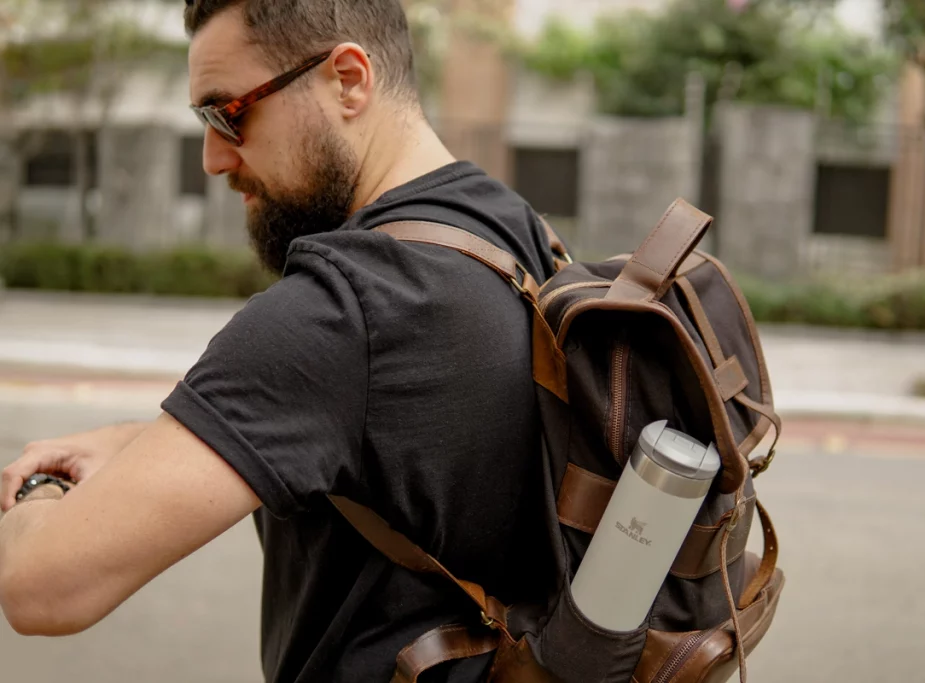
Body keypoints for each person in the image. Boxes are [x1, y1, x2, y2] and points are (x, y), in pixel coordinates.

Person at [0, 1, 558, 681]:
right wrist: (137, 445)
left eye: (228, 112)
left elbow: (41, 587)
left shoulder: (338, 310)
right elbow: (393, 435)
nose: (211, 158)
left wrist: (39, 490)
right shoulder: (509, 232)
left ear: (349, 79)